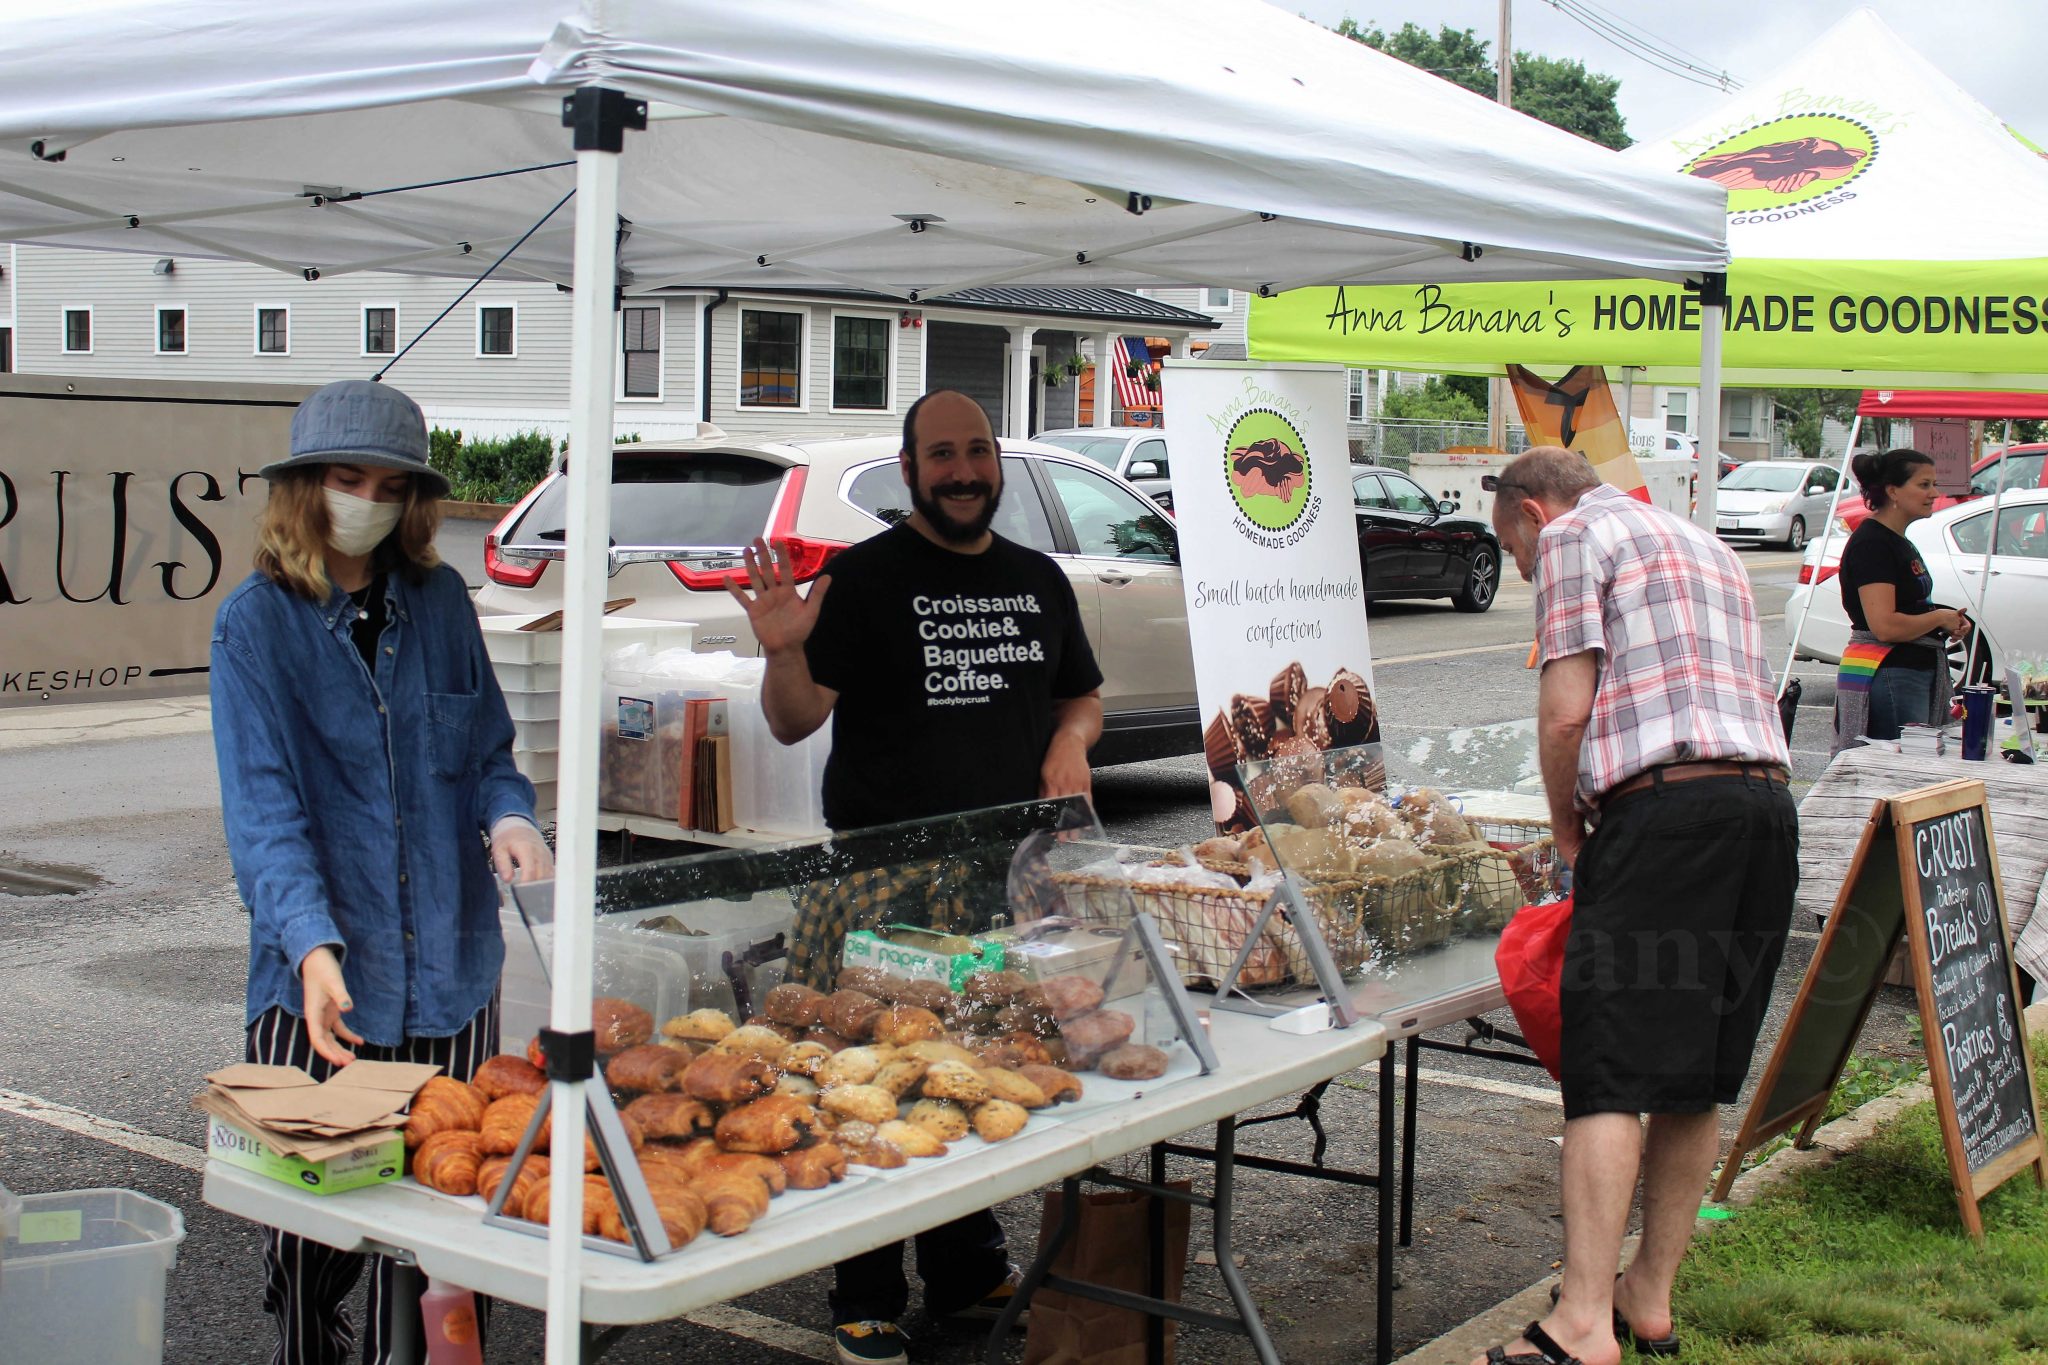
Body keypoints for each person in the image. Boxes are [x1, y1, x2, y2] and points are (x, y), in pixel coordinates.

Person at [727, 389, 1104, 1365]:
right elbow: (792, 719)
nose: (963, 470)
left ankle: (967, 1266)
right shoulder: (865, 577)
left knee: (971, 1072)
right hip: (879, 884)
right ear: (909, 471)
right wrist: (780, 652)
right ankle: (862, 1286)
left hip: (997, 879)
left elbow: (1083, 696)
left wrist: (1069, 743)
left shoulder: (1038, 580)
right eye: (941, 454)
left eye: (976, 451)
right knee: (870, 1081)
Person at [211, 379, 553, 1365]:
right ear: (304, 488)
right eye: (345, 478)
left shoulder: (439, 600)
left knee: (453, 1249)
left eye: (388, 483)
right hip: (327, 983)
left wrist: (509, 817)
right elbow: (264, 811)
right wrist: (313, 948)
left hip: (451, 976)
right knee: (314, 1250)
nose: (366, 498)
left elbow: (489, 748)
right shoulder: (255, 625)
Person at [1475, 448, 1797, 1365]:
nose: (1530, 571)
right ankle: (1645, 1297)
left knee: (1608, 1069)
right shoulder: (1704, 542)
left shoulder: (1578, 535)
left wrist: (1567, 828)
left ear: (1533, 511)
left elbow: (1565, 711)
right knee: (1694, 1072)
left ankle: (1580, 1323)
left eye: (1518, 553)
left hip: (1664, 812)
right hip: (1765, 808)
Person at [1832, 447, 1971, 754]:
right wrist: (1937, 619)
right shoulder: (1874, 543)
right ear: (1893, 490)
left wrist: (1948, 618)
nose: (1934, 493)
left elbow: (1909, 607)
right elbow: (1885, 626)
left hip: (1909, 672)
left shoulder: (1897, 540)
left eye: (1933, 484)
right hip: (1891, 674)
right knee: (1899, 773)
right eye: (1924, 485)